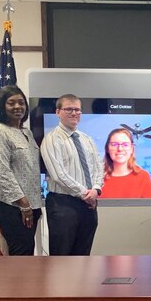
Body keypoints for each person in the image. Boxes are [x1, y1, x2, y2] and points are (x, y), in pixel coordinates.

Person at [41, 94, 103, 256]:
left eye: (77, 110)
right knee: (62, 257)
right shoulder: (51, 139)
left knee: (83, 255)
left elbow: (98, 167)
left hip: (88, 205)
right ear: (58, 112)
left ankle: (80, 283)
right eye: (69, 109)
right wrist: (85, 194)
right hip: (63, 205)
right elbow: (58, 174)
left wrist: (95, 189)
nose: (74, 113)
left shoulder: (87, 139)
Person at [0, 85, 42, 256]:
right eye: (11, 103)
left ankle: (26, 283)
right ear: (2, 106)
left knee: (27, 251)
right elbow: (1, 171)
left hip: (31, 202)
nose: (18, 107)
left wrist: (31, 204)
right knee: (21, 251)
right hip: (11, 203)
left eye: (21, 102)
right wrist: (23, 203)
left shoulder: (26, 132)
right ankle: (19, 284)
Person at [101, 128, 151, 198]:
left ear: (132, 149)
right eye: (114, 144)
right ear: (107, 148)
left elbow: (149, 208)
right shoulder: (98, 179)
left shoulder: (143, 177)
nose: (120, 149)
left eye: (125, 145)